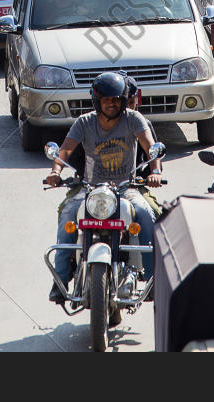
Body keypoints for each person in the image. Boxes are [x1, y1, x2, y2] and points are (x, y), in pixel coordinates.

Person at [44, 71, 161, 301]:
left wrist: (155, 171)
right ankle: (60, 280)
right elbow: (66, 149)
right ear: (97, 101)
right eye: (106, 99)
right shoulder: (84, 122)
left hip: (126, 187)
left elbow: (151, 146)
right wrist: (55, 171)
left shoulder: (133, 119)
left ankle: (151, 280)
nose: (112, 104)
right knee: (67, 214)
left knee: (147, 214)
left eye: (116, 99)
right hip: (90, 188)